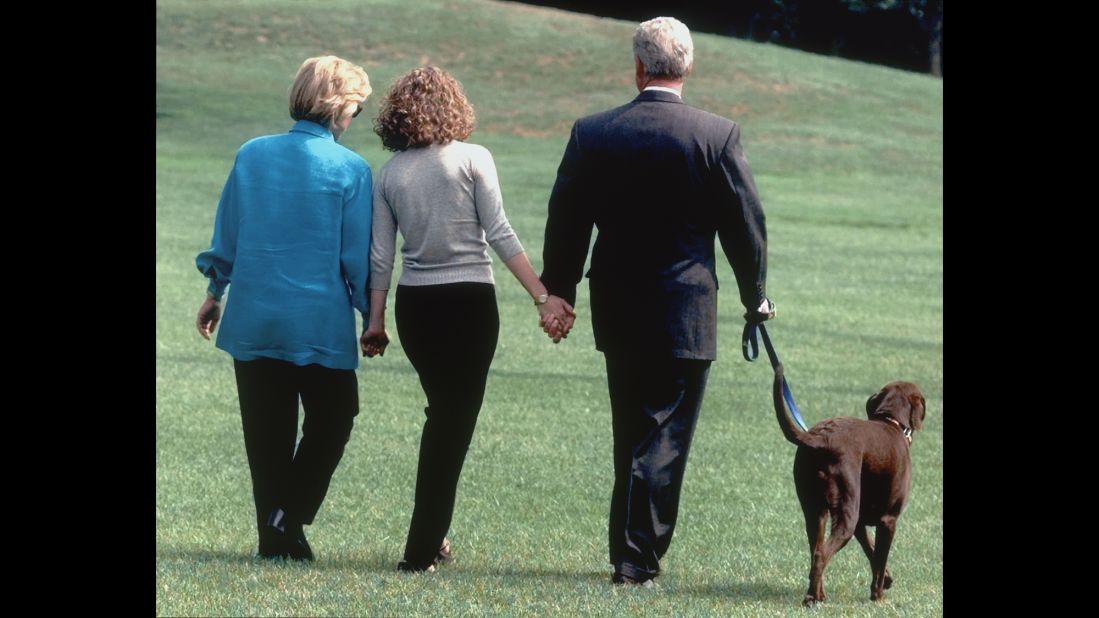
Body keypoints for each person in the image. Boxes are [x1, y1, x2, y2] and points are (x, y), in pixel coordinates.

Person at [538, 17, 776, 586]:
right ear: (687, 66)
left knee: (633, 431)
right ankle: (637, 558)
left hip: (617, 305)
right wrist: (756, 298)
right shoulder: (716, 136)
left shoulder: (592, 133)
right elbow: (746, 228)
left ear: (639, 66)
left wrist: (560, 292)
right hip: (687, 307)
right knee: (665, 437)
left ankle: (628, 549)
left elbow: (565, 222)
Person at [361, 66, 571, 572]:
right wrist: (543, 296)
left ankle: (433, 540)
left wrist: (375, 321)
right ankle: (420, 550)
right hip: (470, 304)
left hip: (416, 308)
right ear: (454, 106)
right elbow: (498, 232)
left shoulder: (389, 174)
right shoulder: (474, 158)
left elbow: (381, 257)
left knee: (445, 416)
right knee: (451, 424)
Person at [195, 55, 374, 562]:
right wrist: (370, 314)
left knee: (266, 436)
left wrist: (215, 293)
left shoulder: (252, 154)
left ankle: (275, 536)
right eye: (356, 109)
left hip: (253, 315)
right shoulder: (353, 169)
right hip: (318, 322)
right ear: (340, 108)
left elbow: (229, 232)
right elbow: (355, 256)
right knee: (335, 419)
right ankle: (286, 516)